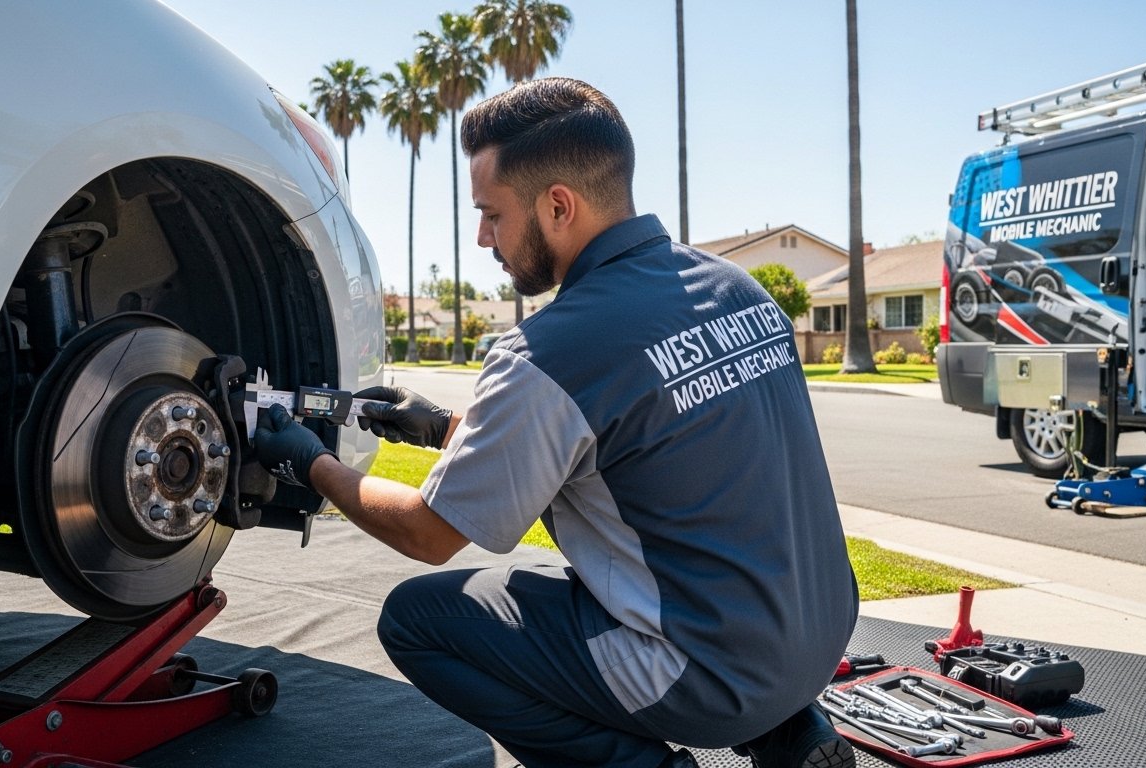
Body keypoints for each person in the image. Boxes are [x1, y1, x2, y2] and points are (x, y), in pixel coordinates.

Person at [254, 77, 859, 768]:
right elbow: (626, 448)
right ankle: (790, 732)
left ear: (558, 206)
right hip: (819, 636)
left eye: (491, 213)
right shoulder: (734, 287)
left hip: (707, 678)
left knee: (420, 621)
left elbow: (427, 535)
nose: (483, 236)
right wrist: (440, 428)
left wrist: (309, 460)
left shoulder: (552, 350)